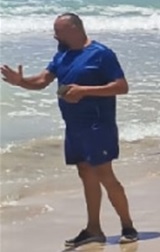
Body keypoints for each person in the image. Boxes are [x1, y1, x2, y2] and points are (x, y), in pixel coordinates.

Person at [0, 13, 138, 247]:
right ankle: (94, 229)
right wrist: (20, 82)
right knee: (85, 173)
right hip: (74, 127)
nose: (55, 36)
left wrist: (84, 91)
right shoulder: (62, 55)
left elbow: (121, 87)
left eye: (59, 31)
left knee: (105, 174)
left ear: (75, 29)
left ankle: (128, 227)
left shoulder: (101, 53)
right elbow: (42, 81)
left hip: (98, 125)